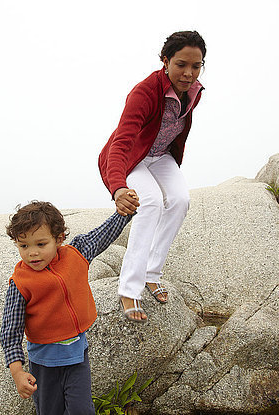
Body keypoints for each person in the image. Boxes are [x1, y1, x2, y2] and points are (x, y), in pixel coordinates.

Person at [98, 30, 206, 322]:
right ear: (165, 61)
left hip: (160, 156)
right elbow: (122, 142)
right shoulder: (145, 92)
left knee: (181, 200)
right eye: (181, 64)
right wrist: (118, 187)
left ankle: (152, 272)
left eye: (196, 66)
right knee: (151, 202)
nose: (189, 73)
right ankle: (129, 289)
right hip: (132, 155)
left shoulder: (193, 92)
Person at [0, 200, 135, 414]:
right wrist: (17, 371)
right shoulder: (20, 283)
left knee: (82, 410)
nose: (32, 253)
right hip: (43, 365)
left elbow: (102, 235)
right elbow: (11, 330)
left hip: (77, 357)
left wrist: (124, 213)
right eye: (24, 246)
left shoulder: (76, 254)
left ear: (59, 239)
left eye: (41, 244)